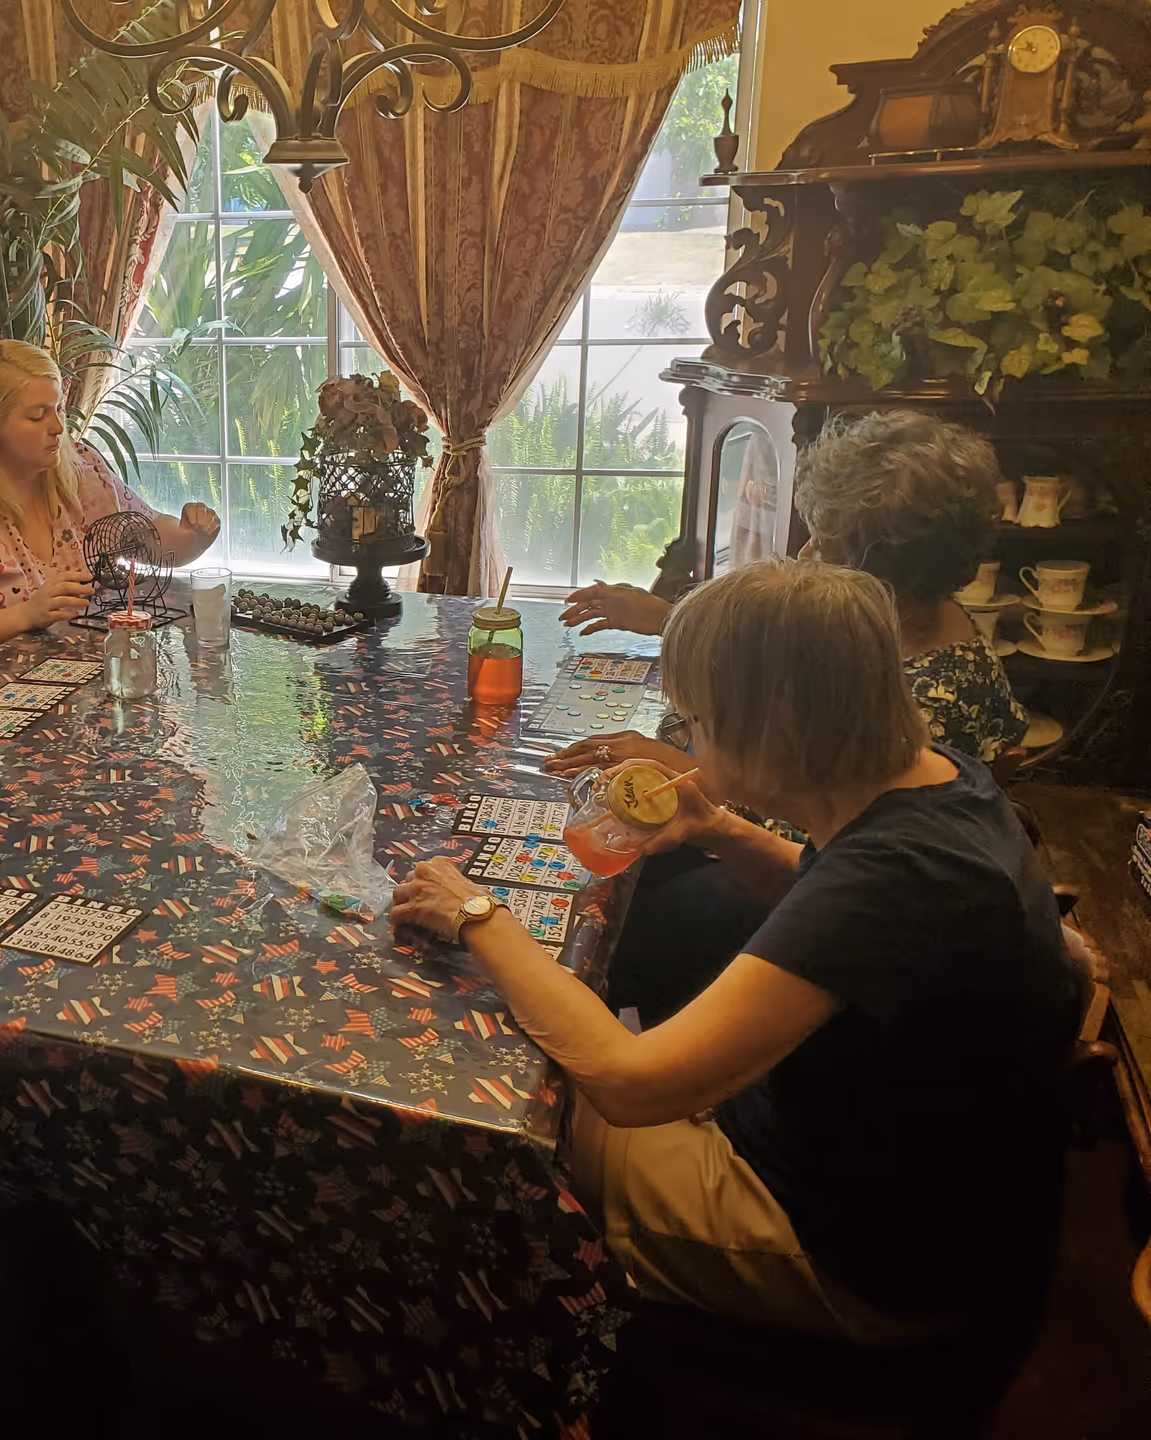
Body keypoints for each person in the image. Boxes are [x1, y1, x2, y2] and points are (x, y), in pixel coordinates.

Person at [394, 560, 1081, 1341]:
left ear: (771, 728)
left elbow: (632, 1083)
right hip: (907, 1187)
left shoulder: (898, 877)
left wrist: (478, 913)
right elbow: (833, 909)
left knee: (488, 1129)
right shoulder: (936, 785)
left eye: (694, 722)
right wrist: (719, 827)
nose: (684, 740)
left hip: (853, 1254)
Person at [552, 410, 1028, 772]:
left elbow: (803, 837)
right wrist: (666, 618)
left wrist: (677, 769)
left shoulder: (930, 705)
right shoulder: (907, 616)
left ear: (885, 575)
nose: (805, 555)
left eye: (828, 548)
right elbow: (787, 650)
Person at [0, 339, 221, 686]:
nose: (58, 427)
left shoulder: (81, 467)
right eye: (37, 415)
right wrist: (26, 615)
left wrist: (193, 538)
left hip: (68, 672)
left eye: (59, 409)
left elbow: (149, 535)